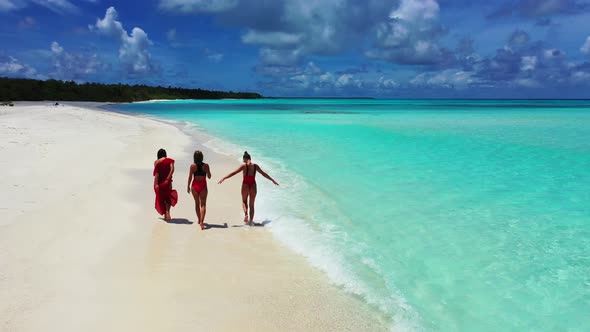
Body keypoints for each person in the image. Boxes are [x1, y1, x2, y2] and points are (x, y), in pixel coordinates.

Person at [218, 151, 278, 225]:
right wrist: (272, 180)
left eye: (243, 160)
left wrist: (224, 178)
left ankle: (246, 214)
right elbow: (264, 174)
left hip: (245, 185)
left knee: (244, 201)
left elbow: (234, 173)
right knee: (252, 205)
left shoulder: (244, 166)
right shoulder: (255, 166)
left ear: (245, 159)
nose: (243, 161)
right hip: (253, 185)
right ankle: (251, 221)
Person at [187, 150, 211, 230]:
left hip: (195, 186)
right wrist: (207, 171)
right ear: (202, 157)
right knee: (203, 204)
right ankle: (201, 221)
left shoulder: (192, 166)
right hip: (203, 186)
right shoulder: (206, 165)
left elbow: (190, 177)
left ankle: (199, 219)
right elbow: (209, 176)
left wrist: (188, 186)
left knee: (197, 204)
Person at [153, 148, 178, 221]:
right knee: (168, 196)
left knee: (161, 198)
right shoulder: (170, 160)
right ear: (165, 154)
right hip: (168, 182)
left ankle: (165, 214)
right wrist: (168, 178)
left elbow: (157, 173)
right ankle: (167, 212)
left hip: (159, 182)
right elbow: (172, 169)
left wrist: (156, 184)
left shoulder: (156, 162)